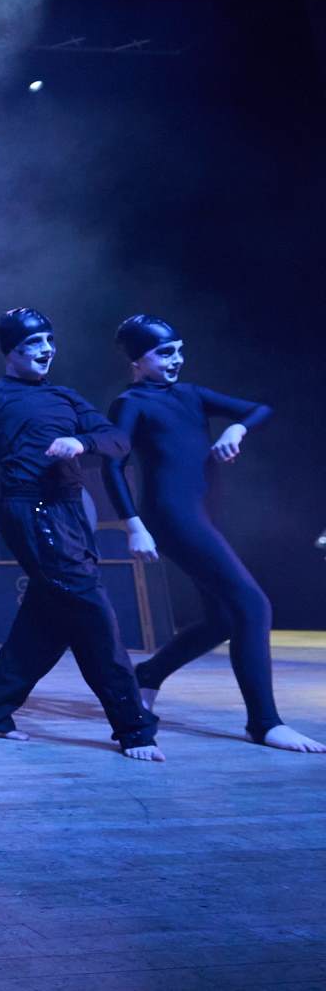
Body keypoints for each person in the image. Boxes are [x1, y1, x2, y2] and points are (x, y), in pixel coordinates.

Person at [0, 308, 163, 760]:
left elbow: (117, 440)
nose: (46, 350)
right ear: (11, 352)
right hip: (31, 511)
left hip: (70, 513)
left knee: (49, 617)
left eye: (49, 341)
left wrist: (83, 442)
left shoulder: (64, 396)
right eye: (33, 343)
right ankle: (133, 726)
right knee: (90, 609)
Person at [104, 315, 322, 752]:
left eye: (179, 350)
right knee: (253, 606)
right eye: (164, 353)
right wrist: (134, 526)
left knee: (223, 618)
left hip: (201, 514)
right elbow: (112, 465)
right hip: (172, 517)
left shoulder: (190, 394)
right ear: (137, 361)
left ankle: (148, 675)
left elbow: (260, 409)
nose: (176, 359)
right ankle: (264, 723)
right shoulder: (130, 403)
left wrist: (237, 427)